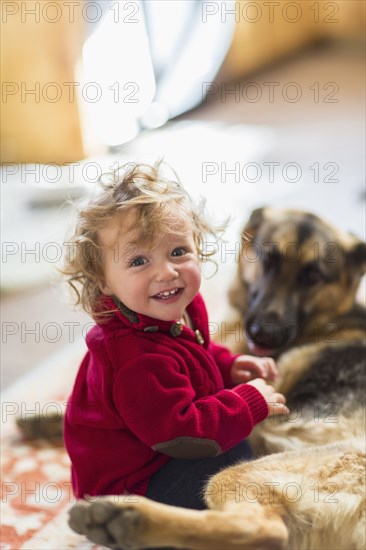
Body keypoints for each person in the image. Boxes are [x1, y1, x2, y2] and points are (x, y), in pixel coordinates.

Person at [63, 160, 288, 511]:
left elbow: (195, 353)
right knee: (243, 459)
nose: (166, 272)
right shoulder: (135, 358)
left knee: (244, 441)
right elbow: (181, 433)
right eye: (139, 261)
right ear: (103, 281)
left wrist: (229, 366)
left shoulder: (175, 308)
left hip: (157, 455)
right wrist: (245, 404)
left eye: (178, 252)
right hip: (131, 491)